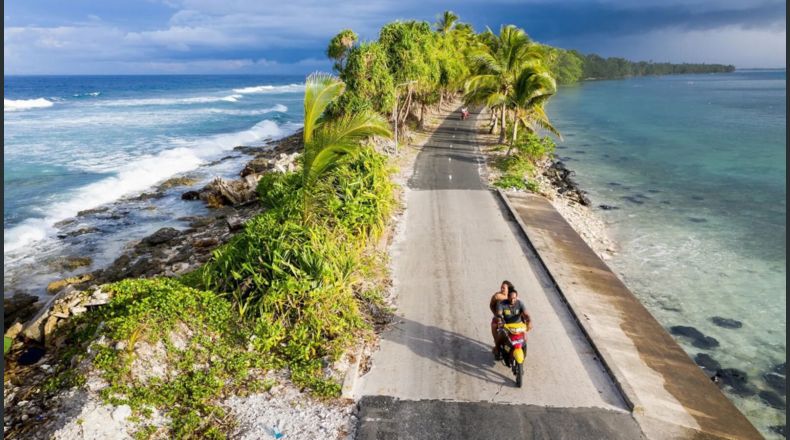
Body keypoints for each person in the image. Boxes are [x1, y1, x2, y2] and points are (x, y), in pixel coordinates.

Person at [493, 288, 532, 361]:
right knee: (500, 336)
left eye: (514, 298)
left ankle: (524, 352)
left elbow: (526, 314)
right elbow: (499, 314)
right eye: (511, 298)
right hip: (506, 326)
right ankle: (497, 350)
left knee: (525, 339)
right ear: (507, 297)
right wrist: (499, 320)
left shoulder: (520, 303)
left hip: (518, 326)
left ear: (517, 297)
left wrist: (529, 321)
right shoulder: (502, 304)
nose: (512, 300)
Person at [489, 280, 515, 359]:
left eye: (504, 288)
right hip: (499, 319)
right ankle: (497, 347)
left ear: (508, 289)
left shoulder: (512, 296)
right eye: (501, 287)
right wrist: (496, 315)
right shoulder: (497, 296)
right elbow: (491, 305)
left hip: (510, 320)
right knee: (494, 326)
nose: (501, 289)